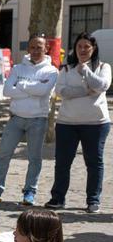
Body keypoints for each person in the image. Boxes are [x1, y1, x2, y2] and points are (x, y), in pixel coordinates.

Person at [0, 35, 58, 206]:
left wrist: (21, 86)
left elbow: (44, 91)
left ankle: (30, 191)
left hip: (38, 119)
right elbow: (7, 90)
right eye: (33, 47)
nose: (36, 51)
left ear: (46, 49)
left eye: (39, 47)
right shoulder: (18, 68)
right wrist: (33, 89)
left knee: (34, 158)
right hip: (16, 119)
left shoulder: (52, 71)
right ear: (28, 49)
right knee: (3, 154)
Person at [45, 32, 111, 213]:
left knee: (94, 162)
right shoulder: (66, 69)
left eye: (86, 47)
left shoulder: (104, 67)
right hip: (67, 123)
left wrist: (87, 72)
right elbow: (61, 91)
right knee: (63, 162)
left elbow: (102, 85)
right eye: (79, 46)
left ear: (94, 49)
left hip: (96, 123)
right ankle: (58, 198)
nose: (82, 50)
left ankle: (93, 200)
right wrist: (85, 90)